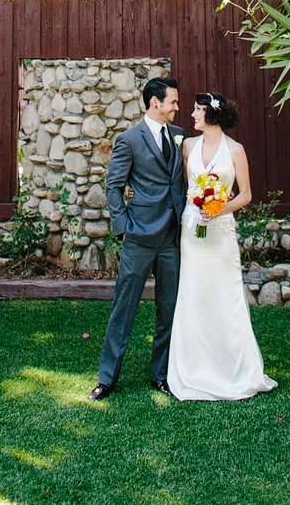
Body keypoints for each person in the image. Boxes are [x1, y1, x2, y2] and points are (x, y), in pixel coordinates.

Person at [168, 91, 278, 401]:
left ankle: (235, 370)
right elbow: (177, 185)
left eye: (197, 111)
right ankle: (191, 369)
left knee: (225, 297)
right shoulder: (188, 146)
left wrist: (218, 209)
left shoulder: (236, 150)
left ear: (213, 115)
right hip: (192, 234)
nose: (192, 115)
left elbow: (245, 195)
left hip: (221, 233)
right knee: (194, 296)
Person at [92, 76, 186, 399]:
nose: (177, 106)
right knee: (125, 307)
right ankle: (107, 379)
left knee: (169, 308)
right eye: (172, 101)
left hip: (172, 238)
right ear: (155, 102)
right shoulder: (129, 140)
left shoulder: (179, 136)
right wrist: (123, 228)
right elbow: (113, 187)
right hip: (139, 236)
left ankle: (161, 374)